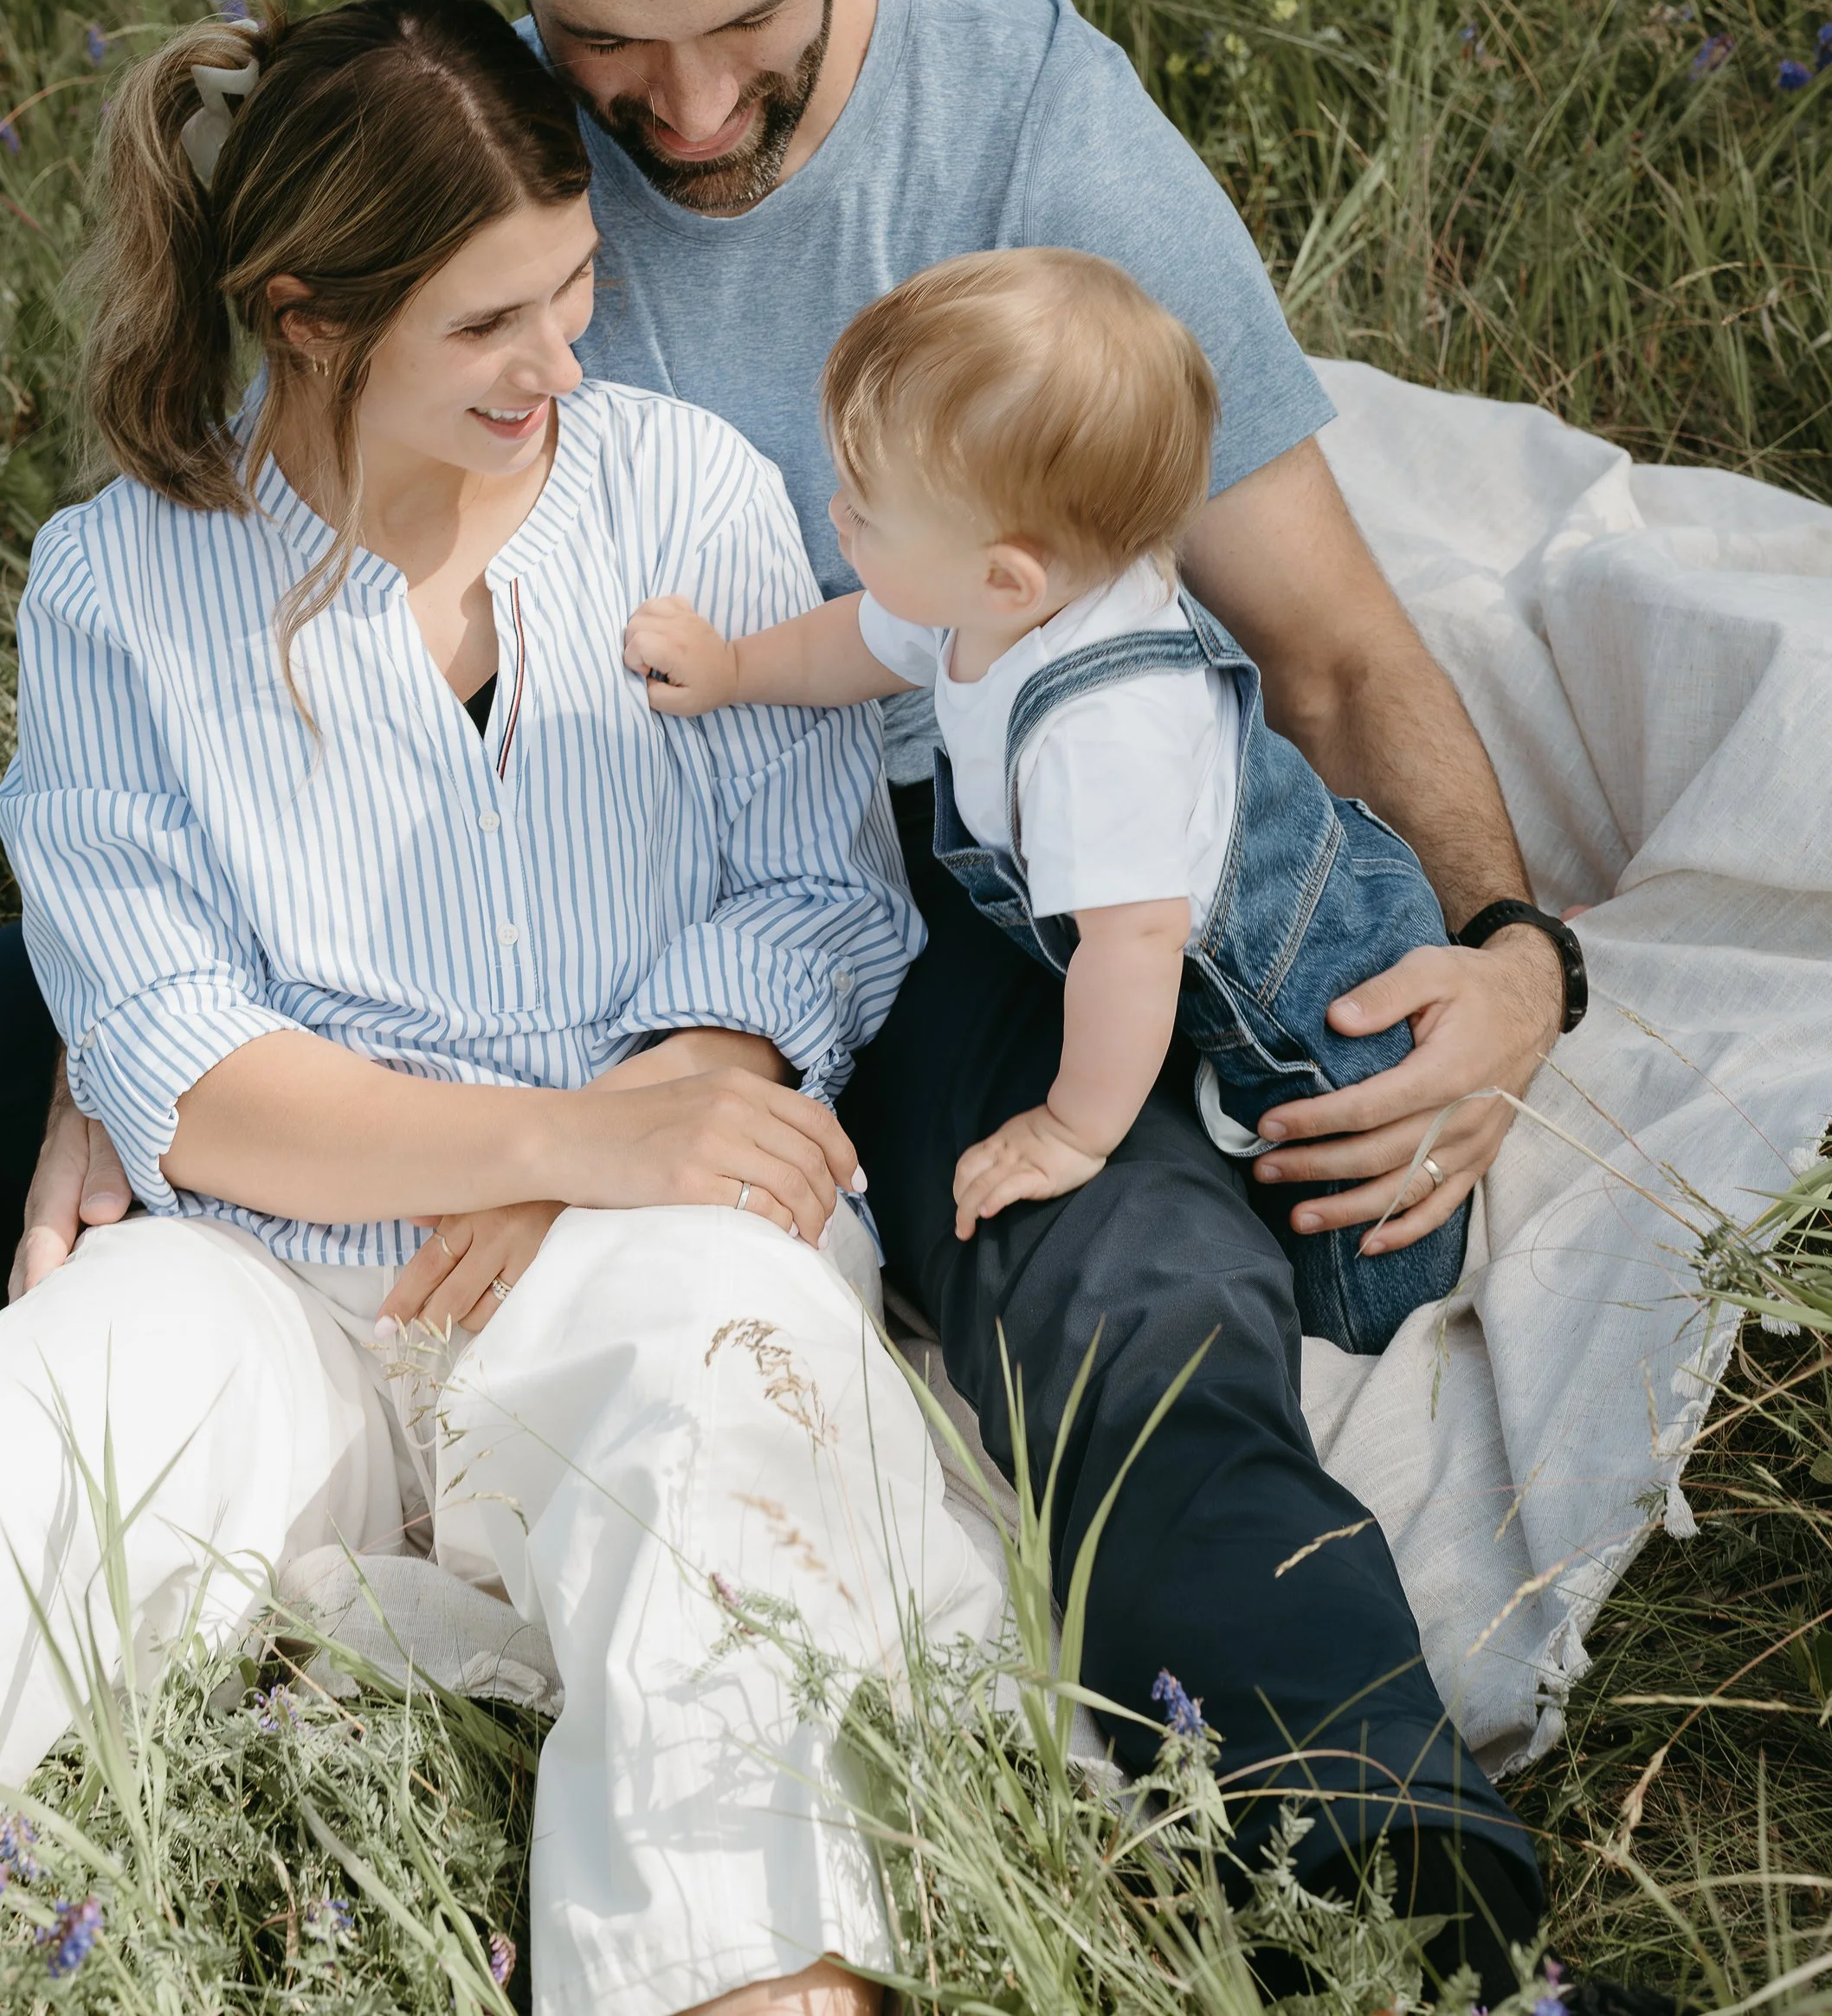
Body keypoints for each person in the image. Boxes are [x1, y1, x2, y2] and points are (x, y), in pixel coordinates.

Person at [0, 0, 1574, 1987]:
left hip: (911, 887)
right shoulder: (431, 166)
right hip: (399, 985)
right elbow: (174, 752)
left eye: (737, 39)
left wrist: (1513, 945)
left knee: (1092, 1299)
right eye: (609, 53)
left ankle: (1376, 1871)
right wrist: (138, 1040)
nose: (671, 120)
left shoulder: (982, 152)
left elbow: (1310, 642)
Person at [0, 0, 1001, 2016]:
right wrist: (552, 1132)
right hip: (272, 1276)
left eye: (574, 288)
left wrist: (654, 1115)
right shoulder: (122, 580)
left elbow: (816, 887)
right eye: (489, 324)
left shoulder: (684, 488)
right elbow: (177, 1060)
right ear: (307, 312)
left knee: (726, 1399)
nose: (557, 359)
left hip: (652, 1227)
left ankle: (744, 1988)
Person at [623, 248, 1469, 1357]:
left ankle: (1382, 1322)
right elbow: (860, 641)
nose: (835, 518)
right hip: (1183, 955)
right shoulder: (972, 597)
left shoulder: (1097, 734)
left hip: (1313, 1004)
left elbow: (1135, 945)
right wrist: (733, 668)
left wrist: (1072, 1130)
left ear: (1007, 579)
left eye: (864, 513)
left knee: (1357, 1228)